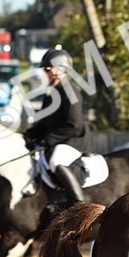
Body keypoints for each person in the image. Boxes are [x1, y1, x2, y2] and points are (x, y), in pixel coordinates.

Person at [24, 47, 92, 205]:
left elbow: (73, 124)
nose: (44, 73)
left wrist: (48, 140)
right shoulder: (51, 93)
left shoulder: (71, 92)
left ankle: (77, 201)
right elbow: (45, 122)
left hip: (74, 141)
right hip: (57, 141)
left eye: (47, 69)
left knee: (56, 160)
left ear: (60, 70)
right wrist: (29, 135)